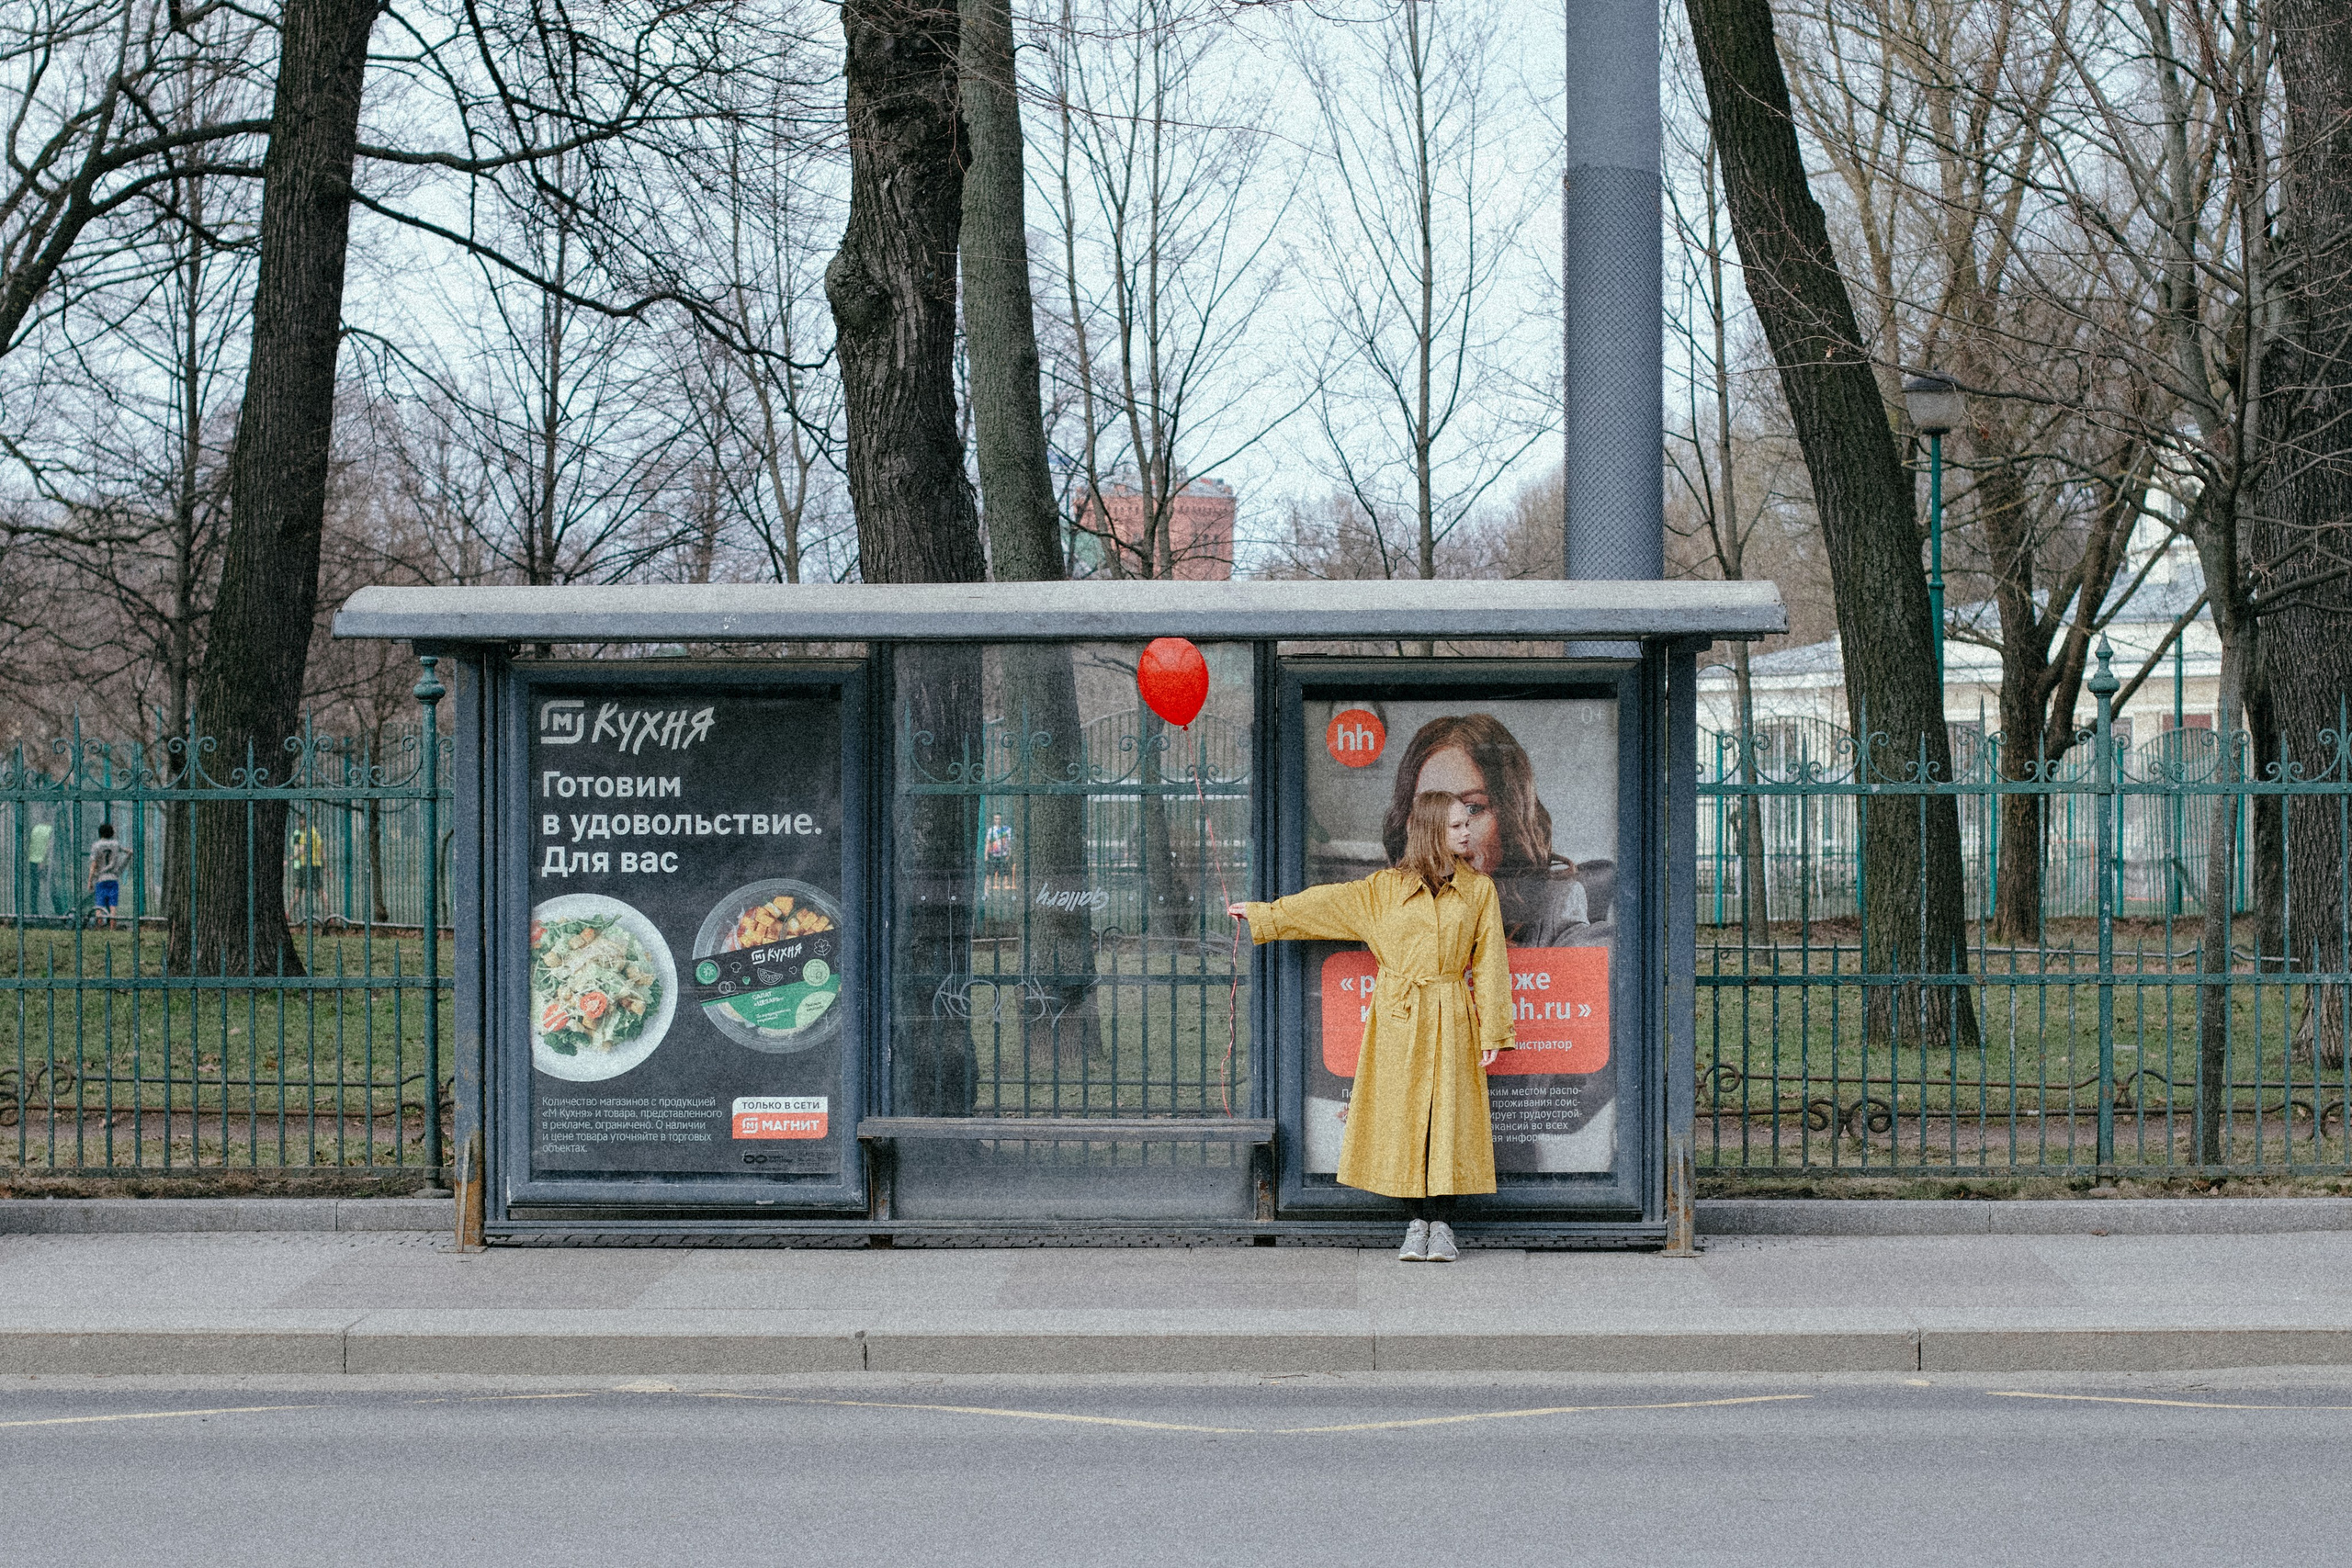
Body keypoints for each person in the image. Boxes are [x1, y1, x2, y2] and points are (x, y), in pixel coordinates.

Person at [1229, 791, 1515, 1262]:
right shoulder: (1383, 889)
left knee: (1448, 1118)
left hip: (1451, 1013)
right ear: (1431, 831)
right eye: (1456, 825)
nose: (1467, 832)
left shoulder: (1479, 890)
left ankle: (1443, 1226)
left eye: (1468, 822)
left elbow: (1490, 964)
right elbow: (1324, 906)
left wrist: (1494, 1031)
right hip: (1398, 1017)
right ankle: (1415, 1224)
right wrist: (1265, 914)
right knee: (1402, 1118)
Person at [1380, 713, 1600, 947]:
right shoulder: (1383, 908)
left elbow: (1604, 953)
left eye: (1472, 808)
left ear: (1509, 818)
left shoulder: (1556, 907)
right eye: (1429, 810)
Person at [86, 821, 130, 930]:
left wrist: (90, 880)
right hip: (113, 879)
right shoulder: (116, 844)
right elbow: (127, 851)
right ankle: (112, 927)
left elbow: (94, 864)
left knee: (99, 905)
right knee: (112, 905)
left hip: (101, 878)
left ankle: (99, 925)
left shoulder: (96, 846)